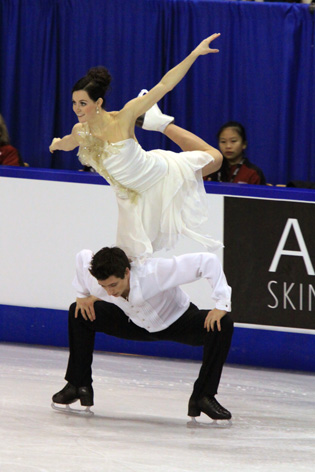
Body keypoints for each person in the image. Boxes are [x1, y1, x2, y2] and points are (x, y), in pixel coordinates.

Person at [49, 34, 223, 260]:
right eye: (74, 103)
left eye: (83, 103)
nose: (77, 109)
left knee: (216, 159)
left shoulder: (123, 118)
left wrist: (193, 55)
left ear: (98, 103)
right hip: (130, 198)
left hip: (157, 173)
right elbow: (66, 142)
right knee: (129, 259)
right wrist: (55, 144)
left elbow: (164, 85)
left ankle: (161, 124)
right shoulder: (80, 132)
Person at [52, 246, 234, 422]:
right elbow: (83, 256)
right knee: (78, 312)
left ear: (126, 272)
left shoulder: (155, 273)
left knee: (222, 324)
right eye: (104, 286)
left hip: (178, 322)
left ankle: (203, 396)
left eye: (114, 285)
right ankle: (78, 385)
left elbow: (207, 261)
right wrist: (82, 294)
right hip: (134, 323)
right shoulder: (98, 282)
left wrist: (221, 303)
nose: (110, 292)